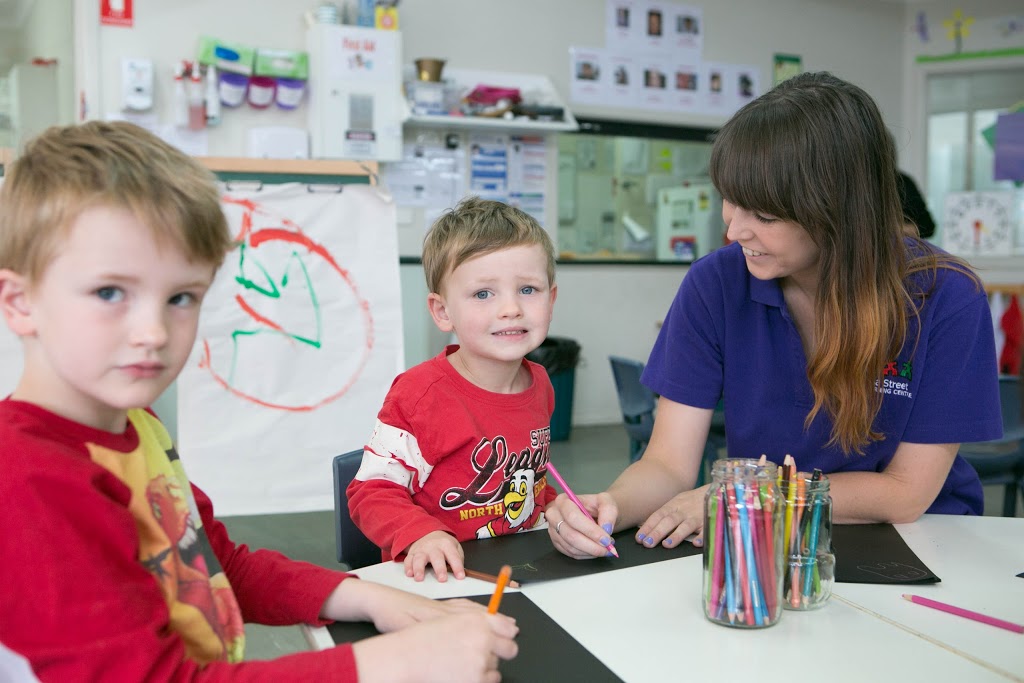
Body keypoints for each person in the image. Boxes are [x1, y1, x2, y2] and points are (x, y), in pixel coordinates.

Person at [0, 122, 518, 681]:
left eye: (180, 297)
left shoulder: (138, 426)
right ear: (21, 302)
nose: (152, 331)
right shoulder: (27, 481)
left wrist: (366, 597)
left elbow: (217, 567)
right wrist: (381, 666)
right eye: (109, 293)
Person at [546, 72, 1002, 560]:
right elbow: (669, 465)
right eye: (730, 200)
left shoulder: (946, 296)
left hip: (916, 541)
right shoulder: (716, 284)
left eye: (764, 216)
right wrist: (610, 505)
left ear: (841, 210)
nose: (734, 229)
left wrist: (748, 494)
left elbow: (905, 492)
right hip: (763, 538)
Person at [348, 197, 558, 582]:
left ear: (552, 298)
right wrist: (420, 533)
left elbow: (530, 480)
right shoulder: (419, 394)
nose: (511, 308)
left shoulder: (540, 383)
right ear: (443, 312)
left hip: (521, 568)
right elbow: (371, 491)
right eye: (483, 294)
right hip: (441, 578)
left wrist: (559, 508)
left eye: (528, 289)